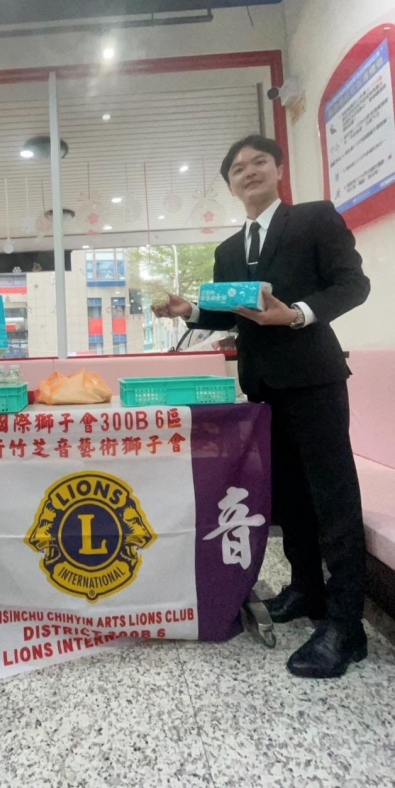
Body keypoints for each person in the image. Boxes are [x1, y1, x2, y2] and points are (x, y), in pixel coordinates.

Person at [152, 134, 370, 680]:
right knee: (288, 496)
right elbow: (233, 313)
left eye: (258, 162)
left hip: (315, 380)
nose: (248, 172)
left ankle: (347, 624)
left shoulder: (314, 219)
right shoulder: (229, 250)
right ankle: (305, 588)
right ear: (230, 185)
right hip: (262, 386)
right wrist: (189, 309)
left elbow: (353, 284)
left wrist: (296, 313)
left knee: (333, 499)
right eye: (237, 169)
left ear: (277, 169)